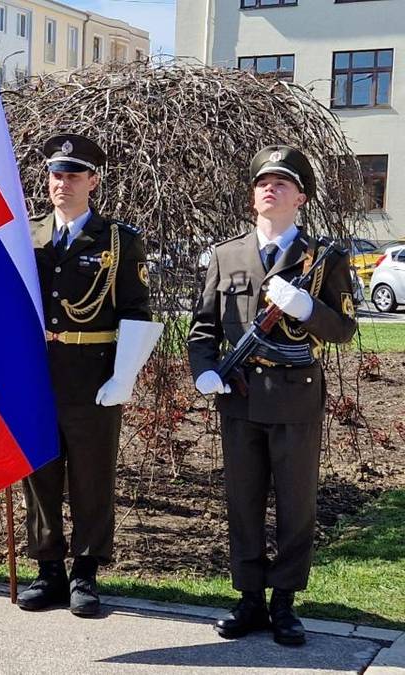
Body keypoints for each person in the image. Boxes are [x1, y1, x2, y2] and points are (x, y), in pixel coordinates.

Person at [188, 146, 357, 646]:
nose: (270, 188)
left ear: (300, 197)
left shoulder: (323, 257)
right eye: (263, 182)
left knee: (295, 503)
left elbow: (344, 328)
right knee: (242, 501)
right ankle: (249, 599)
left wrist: (307, 307)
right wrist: (204, 371)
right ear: (252, 195)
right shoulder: (226, 255)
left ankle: (284, 602)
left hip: (295, 395)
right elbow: (202, 328)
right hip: (239, 396)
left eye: (282, 183)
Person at [18, 134, 160, 616]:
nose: (62, 183)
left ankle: (85, 572)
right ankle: (48, 569)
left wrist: (125, 376)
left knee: (91, 477)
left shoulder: (119, 241)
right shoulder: (25, 235)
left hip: (92, 376)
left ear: (93, 181)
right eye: (56, 174)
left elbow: (137, 311)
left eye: (73, 174)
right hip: (36, 376)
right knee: (39, 475)